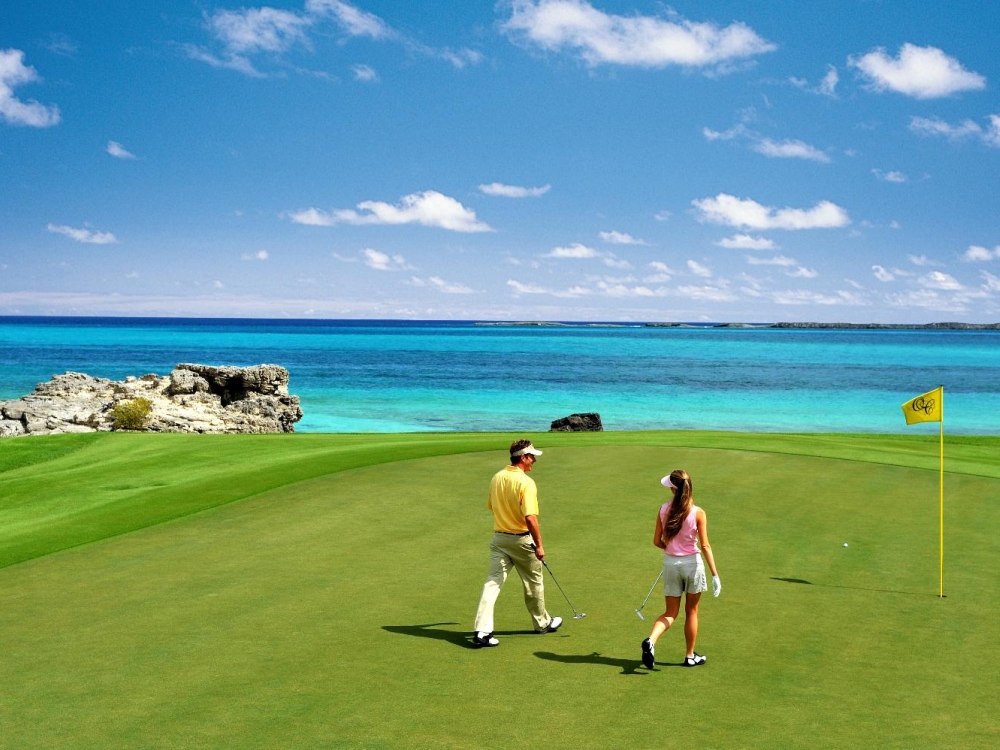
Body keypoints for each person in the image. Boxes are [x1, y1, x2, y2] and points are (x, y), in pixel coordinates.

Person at [472, 439, 562, 647]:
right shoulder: (526, 483)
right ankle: (542, 623)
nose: (534, 461)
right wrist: (539, 545)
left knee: (492, 584)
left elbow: (491, 506)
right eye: (532, 457)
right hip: (521, 540)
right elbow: (530, 517)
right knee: (533, 583)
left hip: (499, 539)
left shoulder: (497, 477)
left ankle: (482, 630)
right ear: (523, 458)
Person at [641, 469, 720, 669]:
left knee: (670, 612)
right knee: (691, 611)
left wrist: (671, 549)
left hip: (670, 564)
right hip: (693, 565)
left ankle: (651, 640)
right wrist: (715, 575)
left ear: (673, 489)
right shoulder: (698, 512)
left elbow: (656, 541)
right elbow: (705, 546)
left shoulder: (663, 509)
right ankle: (689, 656)